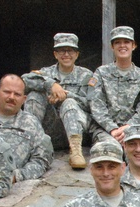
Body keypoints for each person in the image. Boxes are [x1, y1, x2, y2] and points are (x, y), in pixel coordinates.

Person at [23, 33, 95, 169]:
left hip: (76, 131)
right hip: (50, 131)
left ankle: (76, 153)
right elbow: (24, 81)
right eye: (62, 50)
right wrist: (50, 85)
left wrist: (66, 95)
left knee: (69, 103)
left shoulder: (87, 76)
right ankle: (29, 144)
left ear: (77, 54)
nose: (66, 54)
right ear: (55, 54)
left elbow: (92, 105)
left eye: (70, 50)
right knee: (34, 96)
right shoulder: (46, 72)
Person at [0, 73, 54, 183]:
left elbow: (41, 161)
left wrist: (16, 176)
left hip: (12, 188)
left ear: (24, 99)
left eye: (17, 94)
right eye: (7, 92)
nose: (11, 97)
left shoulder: (31, 123)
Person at [90, 26, 140, 144]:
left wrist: (128, 127)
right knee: (111, 151)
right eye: (117, 42)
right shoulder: (101, 73)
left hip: (134, 129)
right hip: (105, 130)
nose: (122, 46)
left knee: (135, 154)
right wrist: (113, 128)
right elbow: (96, 105)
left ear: (134, 46)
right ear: (112, 46)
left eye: (127, 42)